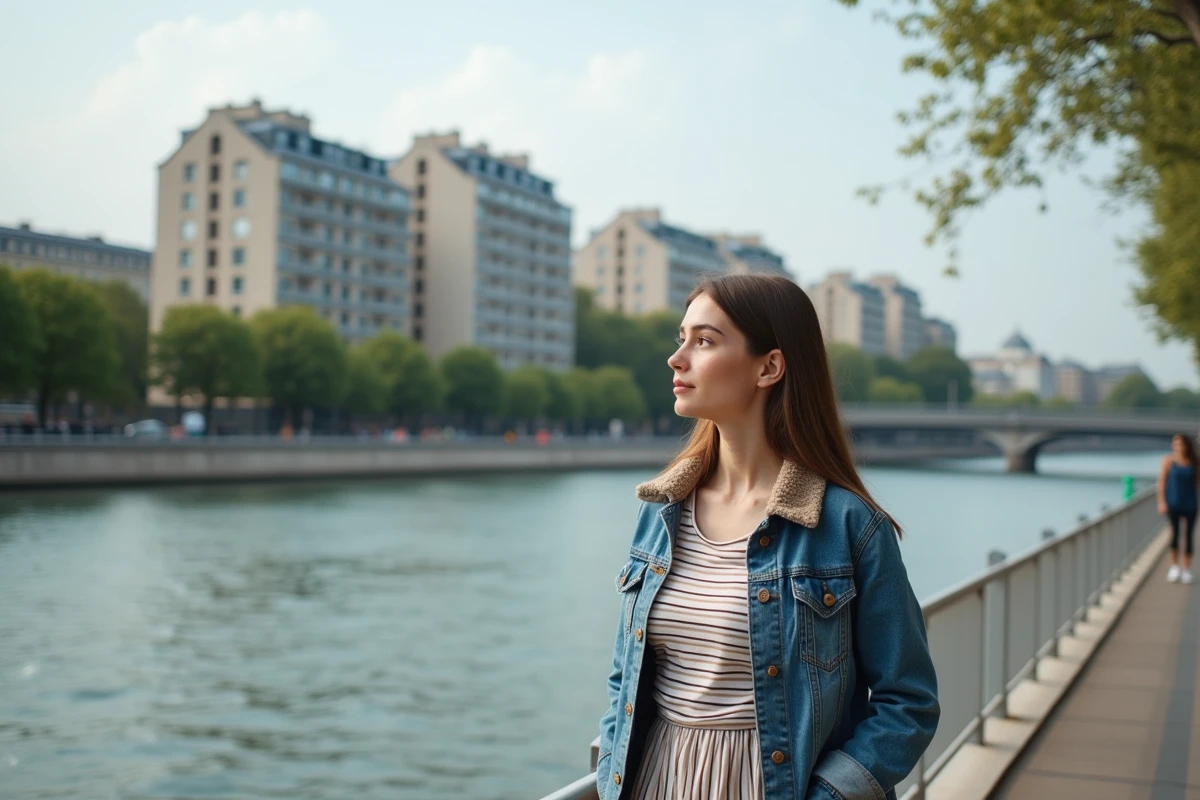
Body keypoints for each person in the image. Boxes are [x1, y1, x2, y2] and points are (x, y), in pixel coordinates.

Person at [596, 275, 939, 800]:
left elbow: (907, 701)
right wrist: (609, 775)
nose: (677, 359)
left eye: (704, 341)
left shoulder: (847, 525)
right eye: (681, 339)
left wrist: (828, 795)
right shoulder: (661, 512)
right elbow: (624, 678)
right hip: (657, 781)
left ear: (769, 367)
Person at [1157, 434, 1199, 584]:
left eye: (1180, 444)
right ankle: (1174, 567)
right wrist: (1161, 502)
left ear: (1186, 445)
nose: (1177, 447)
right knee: (1174, 534)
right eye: (1175, 444)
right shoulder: (1168, 461)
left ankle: (1186, 569)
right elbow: (1162, 483)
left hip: (1191, 504)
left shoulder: (1194, 462)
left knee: (1188, 536)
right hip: (1173, 503)